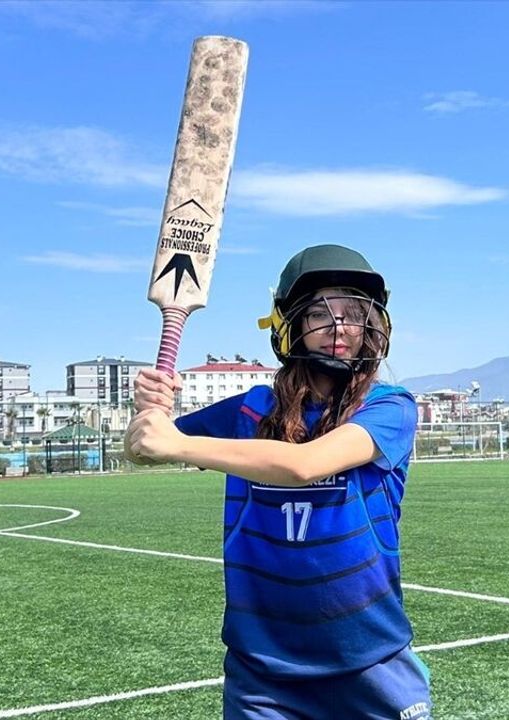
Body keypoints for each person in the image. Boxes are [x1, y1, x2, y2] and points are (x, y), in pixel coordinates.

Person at [128, 244, 432, 719]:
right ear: (289, 323)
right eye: (319, 314)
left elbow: (304, 465)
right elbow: (145, 450)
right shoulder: (251, 409)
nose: (339, 327)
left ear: (372, 326)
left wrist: (175, 443)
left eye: (354, 315)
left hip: (371, 666)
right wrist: (148, 412)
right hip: (263, 677)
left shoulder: (390, 406)